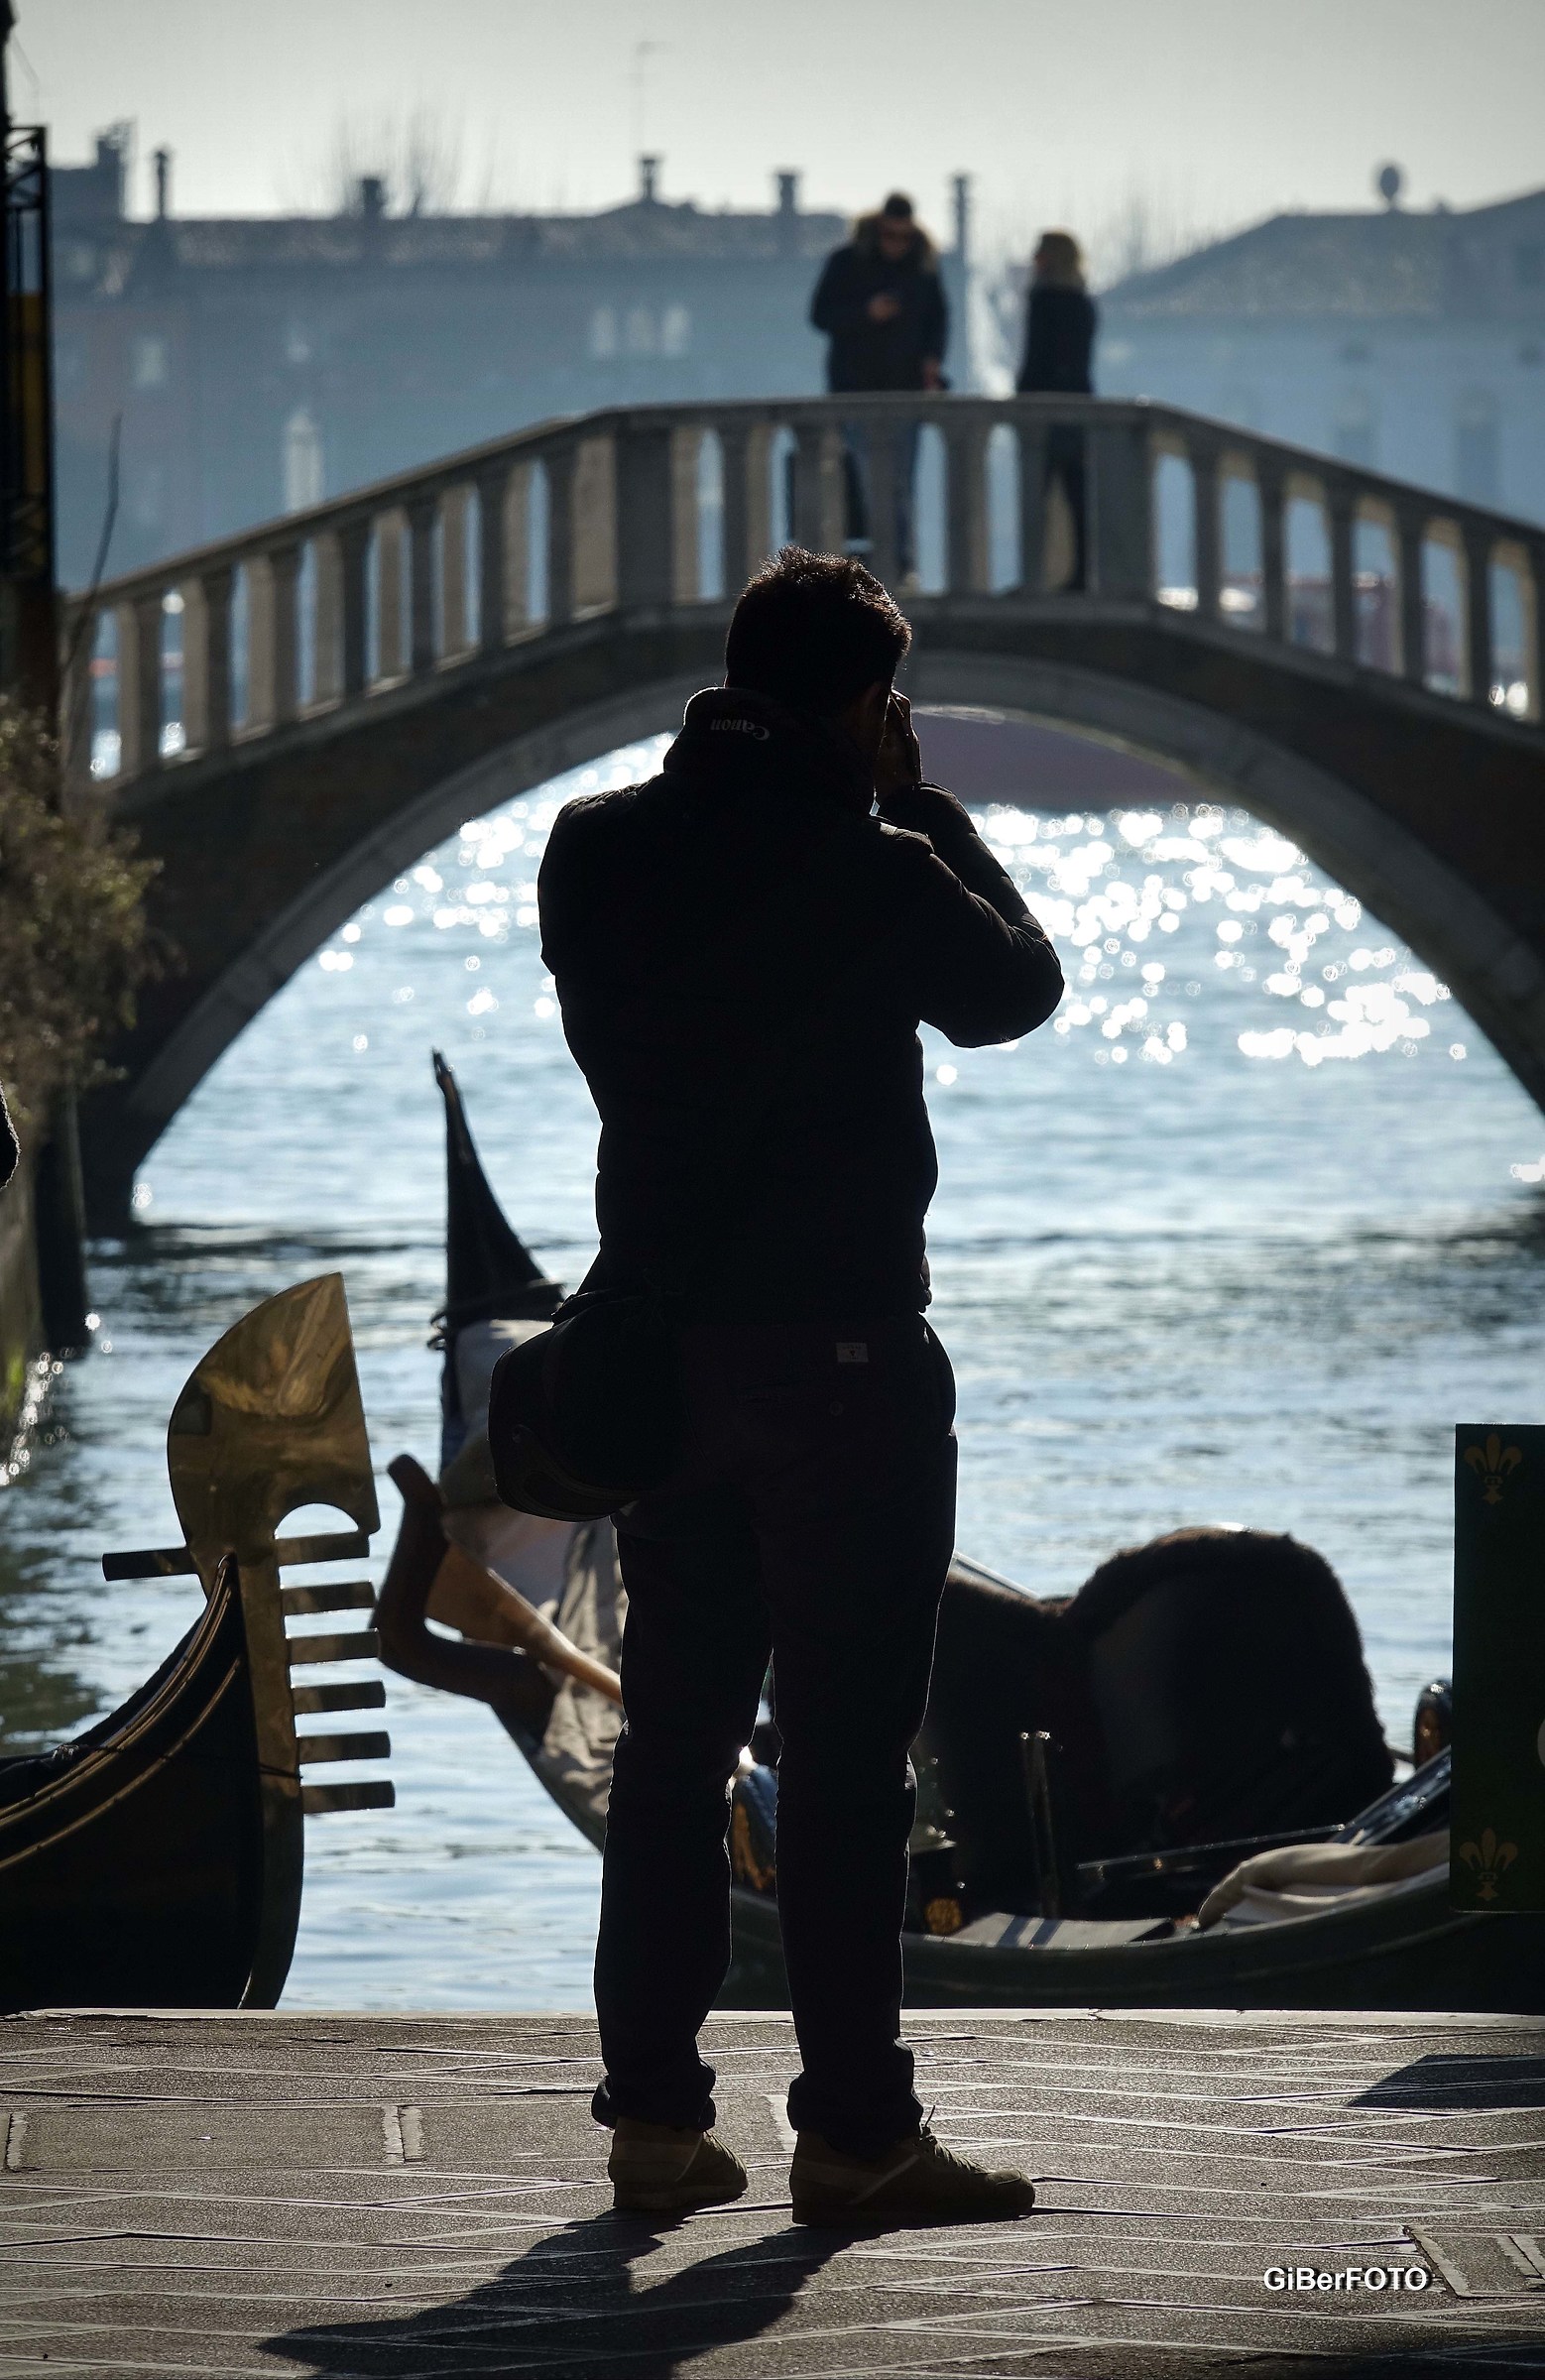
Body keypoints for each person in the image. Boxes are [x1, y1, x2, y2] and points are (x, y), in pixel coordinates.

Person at [537, 548, 1063, 2226]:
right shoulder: (871, 861)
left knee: (674, 1748)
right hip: (840, 1364)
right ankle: (852, 2132)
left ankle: (652, 2119)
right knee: (844, 1765)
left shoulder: (591, 851)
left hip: (658, 1362)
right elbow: (1015, 993)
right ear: (861, 703)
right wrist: (921, 812)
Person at [810, 194, 947, 580]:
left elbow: (938, 321)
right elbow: (821, 315)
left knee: (901, 480)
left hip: (906, 391)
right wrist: (866, 313)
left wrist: (933, 360)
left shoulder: (922, 268)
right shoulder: (846, 263)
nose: (896, 245)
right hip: (855, 390)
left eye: (903, 238)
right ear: (877, 228)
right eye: (890, 236)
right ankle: (885, 560)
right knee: (868, 477)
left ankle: (900, 561)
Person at [1016, 230, 1098, 590]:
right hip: (1080, 406)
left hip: (1044, 411)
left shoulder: (1043, 299)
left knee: (1037, 496)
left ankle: (1034, 578)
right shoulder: (1084, 303)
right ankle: (1081, 576)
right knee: (1077, 496)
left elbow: (1036, 358)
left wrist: (1023, 397)